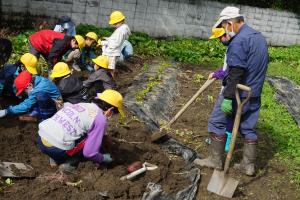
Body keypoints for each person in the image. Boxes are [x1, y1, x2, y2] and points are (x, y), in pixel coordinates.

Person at [194, 6, 269, 176]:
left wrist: (227, 97)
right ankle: (248, 165)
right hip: (254, 92)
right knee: (248, 128)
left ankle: (215, 160)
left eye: (224, 27)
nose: (224, 31)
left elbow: (236, 72)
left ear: (229, 24)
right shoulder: (258, 37)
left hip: (237, 92)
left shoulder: (239, 41)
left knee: (216, 121)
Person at [37, 89, 125, 171]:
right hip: (56, 148)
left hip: (41, 138)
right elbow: (89, 153)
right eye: (113, 113)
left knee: (75, 133)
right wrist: (103, 158)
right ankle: (70, 163)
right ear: (110, 110)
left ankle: (54, 158)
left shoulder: (81, 104)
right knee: (87, 144)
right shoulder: (100, 119)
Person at [99, 10, 131, 78]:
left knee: (110, 69)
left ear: (121, 21)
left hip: (112, 53)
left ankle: (112, 83)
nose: (114, 25)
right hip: (113, 52)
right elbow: (115, 40)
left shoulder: (121, 31)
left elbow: (115, 44)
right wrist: (107, 39)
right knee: (109, 68)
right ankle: (108, 80)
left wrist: (103, 43)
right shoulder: (122, 29)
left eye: (115, 23)